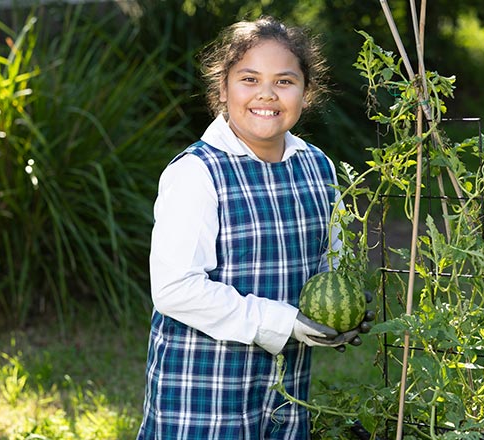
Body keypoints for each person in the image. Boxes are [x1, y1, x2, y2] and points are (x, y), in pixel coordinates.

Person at [136, 16, 372, 439]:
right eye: (249, 79)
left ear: (306, 92)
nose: (266, 93)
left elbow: (330, 262)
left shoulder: (317, 167)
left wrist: (342, 314)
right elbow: (175, 288)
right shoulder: (198, 172)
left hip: (284, 394)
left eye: (284, 81)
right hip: (202, 395)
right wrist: (282, 322)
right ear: (223, 90)